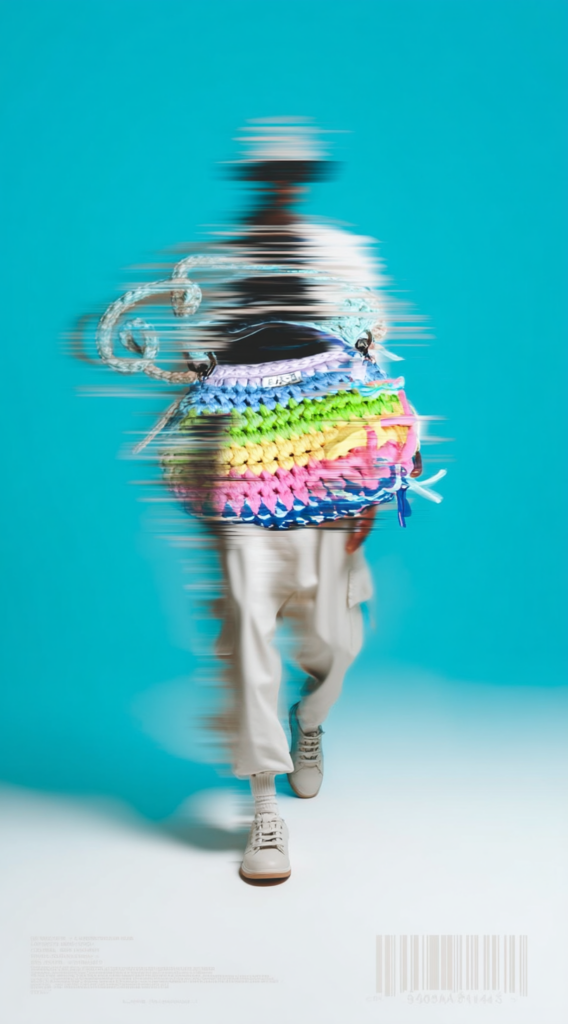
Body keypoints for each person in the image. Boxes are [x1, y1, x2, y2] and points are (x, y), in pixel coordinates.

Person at [161, 121, 423, 881]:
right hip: (245, 472)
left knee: (335, 638)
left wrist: (388, 467)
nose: (279, 185)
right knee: (248, 634)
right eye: (266, 173)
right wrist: (205, 480)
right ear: (250, 180)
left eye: (291, 172)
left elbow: (376, 365)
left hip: (334, 471)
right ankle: (263, 809)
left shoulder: (343, 255)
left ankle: (311, 717)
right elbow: (192, 379)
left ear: (307, 179)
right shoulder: (215, 264)